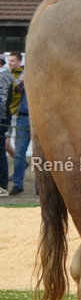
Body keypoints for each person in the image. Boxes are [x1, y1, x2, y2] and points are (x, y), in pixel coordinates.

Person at [8, 53, 29, 196]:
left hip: (38, 117)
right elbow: (16, 89)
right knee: (20, 153)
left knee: (41, 155)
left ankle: (40, 187)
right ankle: (18, 184)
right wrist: (21, 83)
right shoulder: (26, 70)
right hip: (24, 116)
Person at [0, 54, 12, 196]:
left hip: (1, 117)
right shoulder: (7, 75)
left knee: (0, 152)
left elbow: (2, 99)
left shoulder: (3, 76)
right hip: (4, 116)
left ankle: (2, 186)